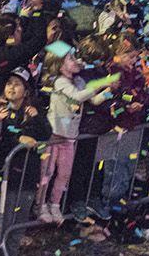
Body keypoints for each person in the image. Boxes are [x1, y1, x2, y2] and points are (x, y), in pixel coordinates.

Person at [36, 42, 117, 225]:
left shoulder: (79, 81)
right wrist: (100, 84)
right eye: (71, 58)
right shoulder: (59, 81)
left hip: (69, 136)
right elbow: (77, 97)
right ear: (59, 63)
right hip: (54, 135)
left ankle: (55, 204)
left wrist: (108, 90)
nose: (76, 61)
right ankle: (40, 205)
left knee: (64, 173)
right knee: (46, 173)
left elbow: (93, 100)